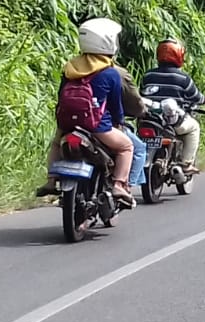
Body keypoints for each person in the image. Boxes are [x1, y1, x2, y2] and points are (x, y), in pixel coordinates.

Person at [35, 18, 135, 204]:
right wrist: (119, 122)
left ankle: (50, 180)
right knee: (126, 147)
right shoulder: (110, 72)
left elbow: (61, 96)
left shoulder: (70, 68)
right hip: (97, 126)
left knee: (56, 144)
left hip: (68, 124)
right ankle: (119, 185)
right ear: (108, 41)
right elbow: (115, 105)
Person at [141, 38, 205, 174]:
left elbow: (141, 94)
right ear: (179, 55)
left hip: (149, 121)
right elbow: (196, 97)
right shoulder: (183, 78)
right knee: (194, 128)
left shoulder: (148, 75)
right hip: (173, 123)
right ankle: (185, 163)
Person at [114, 63, 148, 189]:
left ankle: (51, 180)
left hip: (70, 124)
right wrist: (140, 112)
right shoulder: (116, 74)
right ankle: (125, 185)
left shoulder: (73, 68)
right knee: (136, 148)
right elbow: (134, 101)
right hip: (105, 125)